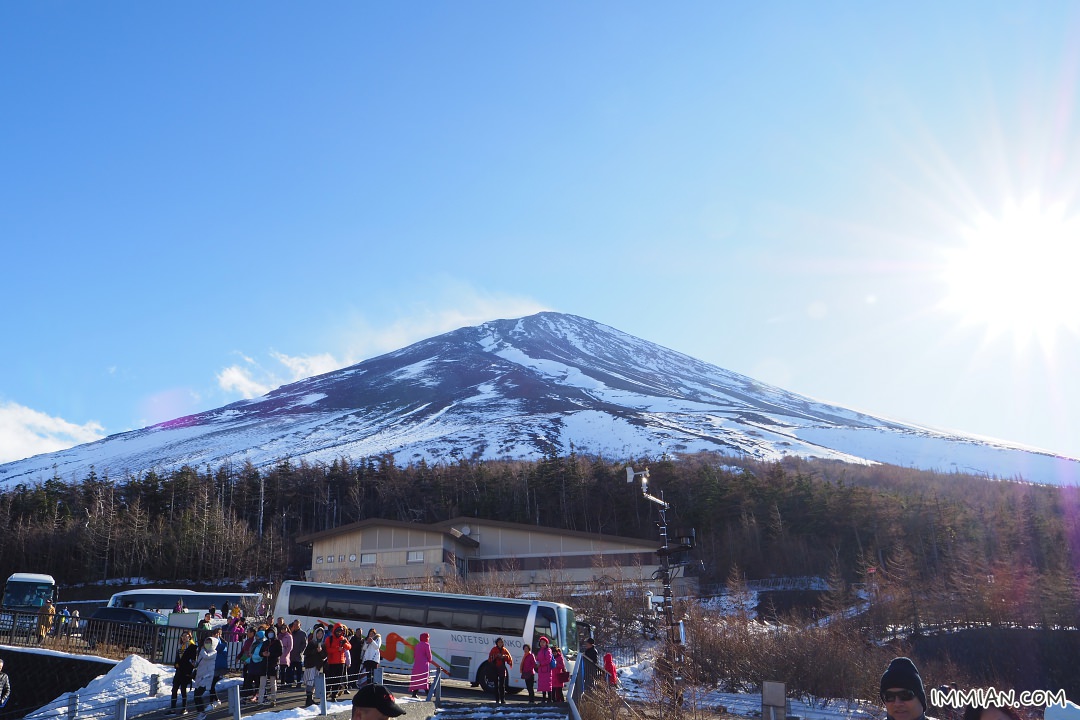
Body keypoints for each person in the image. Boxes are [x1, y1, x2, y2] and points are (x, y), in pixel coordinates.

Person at [192, 635, 220, 720]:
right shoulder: (203, 651)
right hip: (200, 676)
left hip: (207, 677)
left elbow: (206, 657)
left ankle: (202, 712)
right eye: (206, 642)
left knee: (198, 695)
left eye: (209, 642)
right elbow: (199, 661)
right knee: (196, 695)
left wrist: (202, 650)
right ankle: (200, 712)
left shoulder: (214, 652)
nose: (207, 644)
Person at [170, 630, 198, 714]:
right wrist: (176, 664)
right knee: (174, 689)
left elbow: (193, 661)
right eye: (183, 636)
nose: (184, 637)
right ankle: (172, 708)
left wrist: (189, 671)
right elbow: (177, 659)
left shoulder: (192, 647)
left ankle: (184, 708)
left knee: (183, 689)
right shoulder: (180, 647)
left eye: (186, 636)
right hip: (179, 671)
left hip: (186, 672)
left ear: (190, 637)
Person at [409, 632, 443, 698]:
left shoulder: (417, 645)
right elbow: (429, 657)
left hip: (416, 665)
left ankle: (414, 694)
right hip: (424, 665)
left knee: (417, 679)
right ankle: (428, 694)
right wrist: (429, 660)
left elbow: (414, 655)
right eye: (428, 637)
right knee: (424, 679)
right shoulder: (427, 645)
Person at [325, 622, 352, 701]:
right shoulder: (329, 639)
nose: (339, 633)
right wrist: (337, 649)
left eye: (340, 631)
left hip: (341, 662)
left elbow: (350, 647)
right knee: (330, 679)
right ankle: (327, 692)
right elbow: (327, 650)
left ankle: (334, 695)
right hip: (331, 662)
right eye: (337, 631)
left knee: (338, 680)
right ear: (334, 631)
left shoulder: (343, 639)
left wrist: (344, 644)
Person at [258, 627, 283, 706]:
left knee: (273, 683)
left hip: (273, 664)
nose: (270, 634)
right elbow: (260, 652)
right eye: (269, 632)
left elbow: (280, 653)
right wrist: (263, 654)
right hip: (264, 664)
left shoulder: (278, 642)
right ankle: (260, 701)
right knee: (262, 684)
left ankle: (273, 700)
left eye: (272, 632)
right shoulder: (265, 642)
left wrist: (271, 654)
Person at [303, 625, 327, 707]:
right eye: (318, 633)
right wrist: (315, 651)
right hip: (310, 665)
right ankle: (308, 699)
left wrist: (320, 652)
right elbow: (306, 653)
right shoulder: (312, 642)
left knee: (314, 683)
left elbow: (324, 656)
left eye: (321, 633)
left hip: (318, 666)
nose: (319, 635)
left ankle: (311, 698)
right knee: (309, 682)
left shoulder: (323, 644)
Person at [487, 636, 513, 705]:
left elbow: (509, 658)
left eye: (501, 642)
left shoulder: (504, 650)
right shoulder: (494, 649)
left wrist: (504, 656)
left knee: (502, 685)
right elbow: (490, 658)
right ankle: (497, 700)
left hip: (502, 668)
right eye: (499, 642)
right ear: (497, 643)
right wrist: (496, 656)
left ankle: (503, 700)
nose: (500, 643)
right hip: (495, 668)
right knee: (496, 685)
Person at [535, 635, 554, 703]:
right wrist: (536, 662)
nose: (542, 643)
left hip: (547, 670)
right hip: (541, 670)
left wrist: (540, 664)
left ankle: (549, 699)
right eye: (541, 642)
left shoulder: (548, 650)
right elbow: (538, 659)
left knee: (548, 685)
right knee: (543, 685)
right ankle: (543, 698)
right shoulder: (540, 651)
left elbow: (548, 660)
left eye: (543, 642)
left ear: (546, 643)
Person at [288, 620, 307, 687]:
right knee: (290, 670)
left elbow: (304, 644)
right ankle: (290, 682)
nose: (295, 626)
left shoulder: (303, 633)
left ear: (300, 625)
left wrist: (300, 651)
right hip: (291, 655)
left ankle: (299, 683)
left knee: (299, 671)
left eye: (297, 624)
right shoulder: (291, 633)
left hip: (299, 656)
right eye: (294, 624)